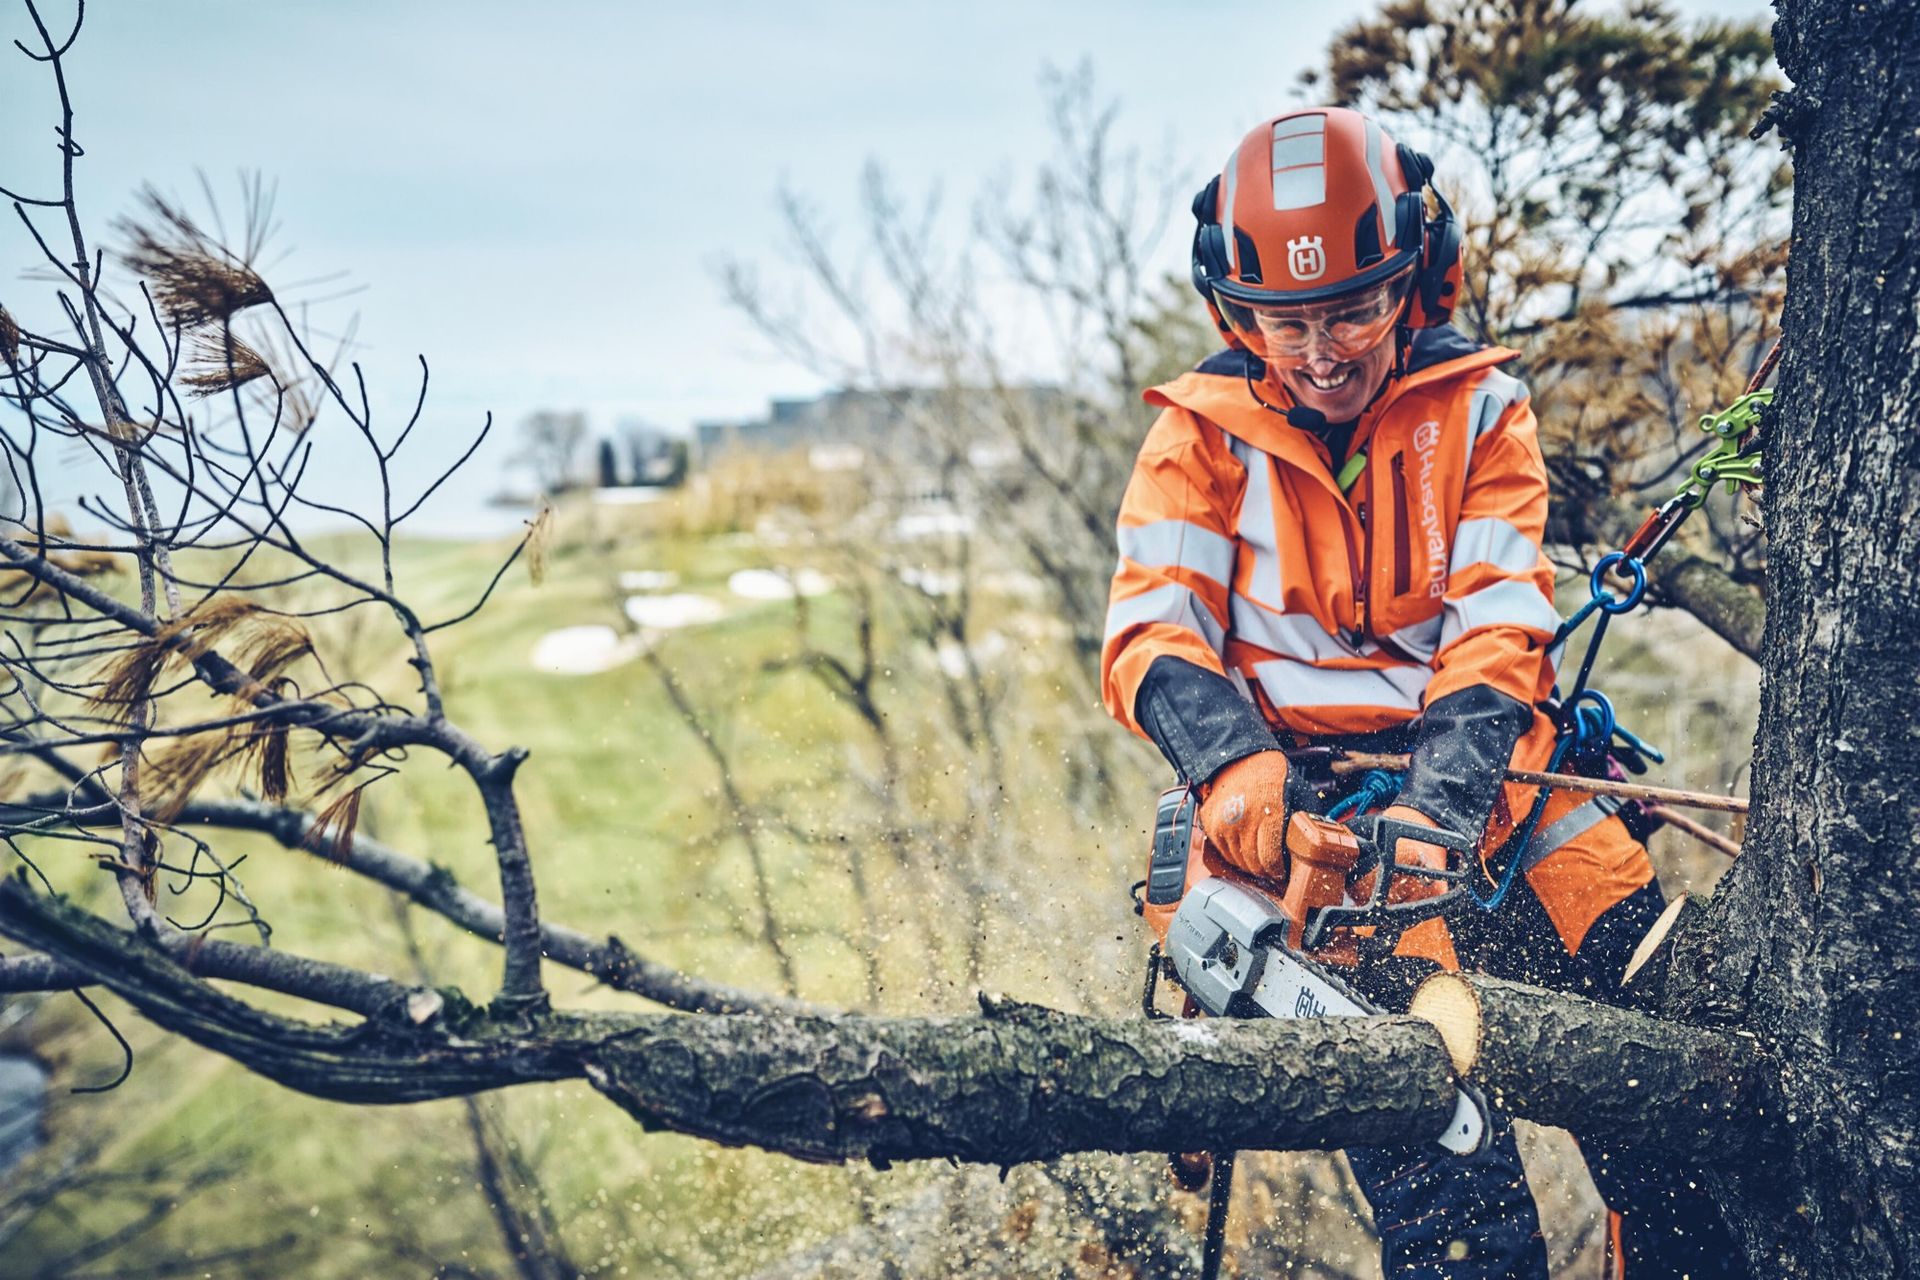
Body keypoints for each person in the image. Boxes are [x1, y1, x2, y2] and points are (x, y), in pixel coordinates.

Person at [1100, 106, 1747, 1278]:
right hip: (1312, 830)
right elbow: (1151, 629)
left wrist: (1440, 809)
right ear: (1233, 311)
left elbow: (1500, 623)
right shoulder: (1196, 440)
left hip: (1498, 791)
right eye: (1286, 320)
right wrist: (1240, 768)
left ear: (1413, 280)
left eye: (1351, 307)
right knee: (1459, 1208)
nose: (1323, 349)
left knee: (1685, 1114)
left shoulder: (1481, 409)